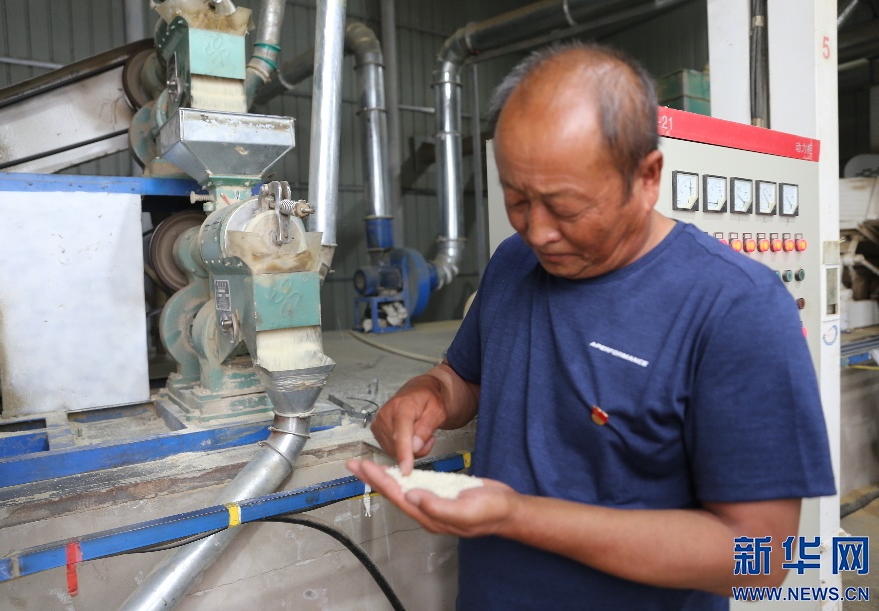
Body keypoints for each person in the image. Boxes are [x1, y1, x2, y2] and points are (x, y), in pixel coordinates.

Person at [347, 42, 835, 610]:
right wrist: (428, 395)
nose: (538, 231)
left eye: (567, 208)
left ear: (647, 177)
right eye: (516, 198)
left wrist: (518, 516)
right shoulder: (514, 262)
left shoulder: (736, 306)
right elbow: (465, 377)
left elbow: (760, 556)